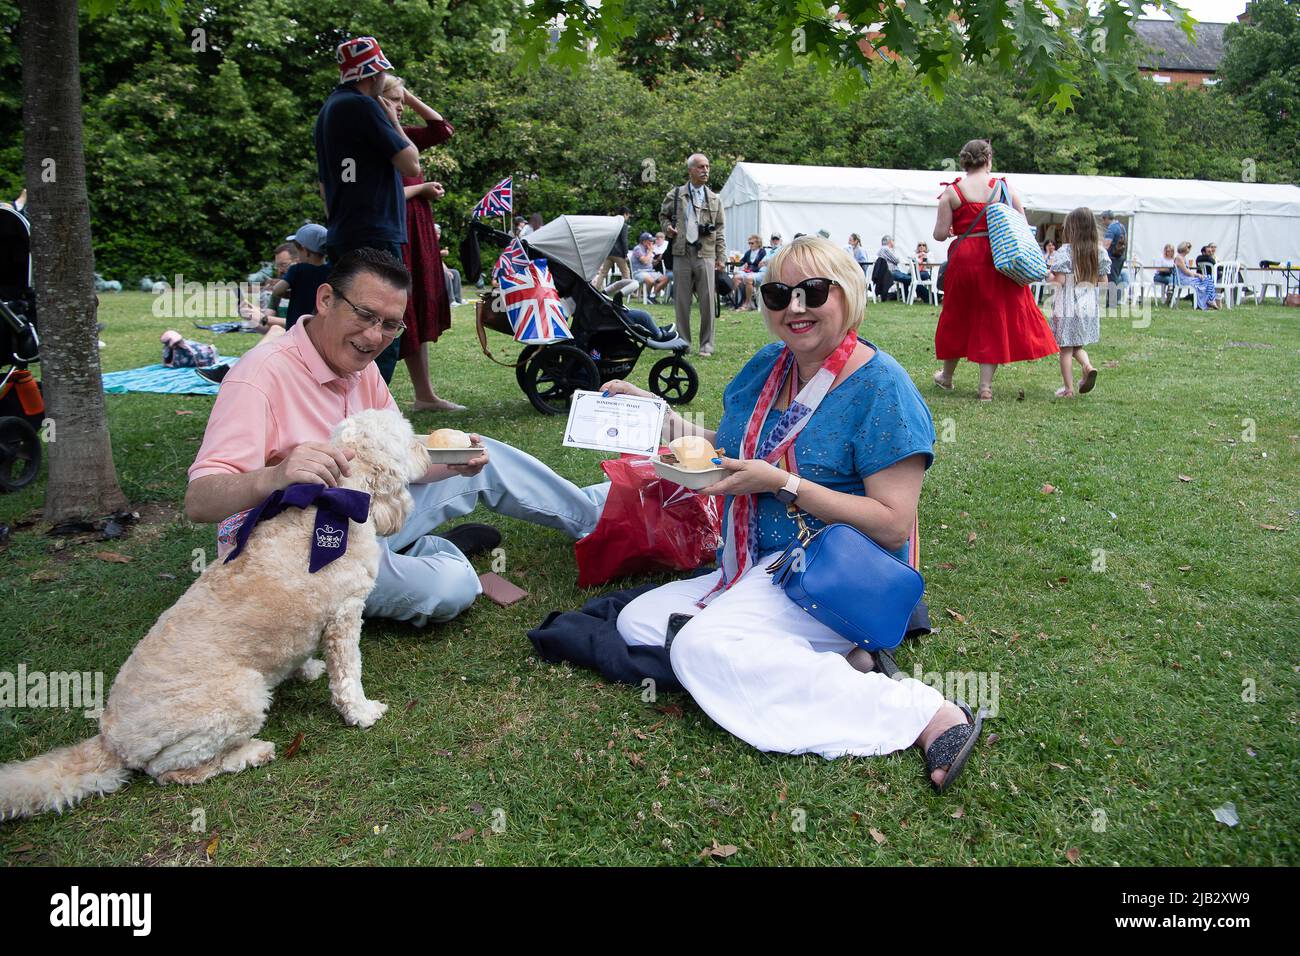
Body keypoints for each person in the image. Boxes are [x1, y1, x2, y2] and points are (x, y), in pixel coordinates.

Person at [602, 236, 982, 791]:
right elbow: (728, 448)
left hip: (835, 573)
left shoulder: (882, 388)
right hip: (755, 561)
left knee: (698, 645)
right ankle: (835, 660)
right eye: (780, 293)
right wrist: (657, 415)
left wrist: (784, 484)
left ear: (847, 295)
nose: (795, 308)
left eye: (813, 292)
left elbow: (893, 522)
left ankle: (924, 713)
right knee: (637, 622)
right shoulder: (769, 366)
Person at [185, 249, 610, 628]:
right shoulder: (258, 377)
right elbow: (200, 500)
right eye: (365, 316)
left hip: (369, 511)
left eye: (390, 325)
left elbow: (400, 461)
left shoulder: (360, 365)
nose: (374, 338)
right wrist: (275, 476)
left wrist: (454, 464)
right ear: (326, 299)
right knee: (452, 587)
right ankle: (423, 549)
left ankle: (596, 521)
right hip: (303, 548)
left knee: (483, 455)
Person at [314, 36, 420, 386]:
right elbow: (411, 163)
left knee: (345, 323)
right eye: (381, 71)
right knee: (383, 326)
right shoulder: (363, 105)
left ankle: (335, 399)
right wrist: (393, 119)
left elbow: (325, 186)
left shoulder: (329, 109)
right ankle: (370, 405)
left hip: (345, 231)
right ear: (371, 73)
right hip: (374, 232)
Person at [931, 139, 1058, 400]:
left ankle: (947, 377)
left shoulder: (952, 192)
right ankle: (985, 387)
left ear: (964, 161)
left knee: (957, 314)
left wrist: (959, 228)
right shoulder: (1003, 188)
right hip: (997, 259)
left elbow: (939, 234)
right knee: (992, 316)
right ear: (988, 160)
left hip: (964, 260)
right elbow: (1021, 224)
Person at [379, 74, 464, 413]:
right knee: (402, 310)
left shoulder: (402, 136)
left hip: (418, 229)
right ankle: (381, 395)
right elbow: (378, 195)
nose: (401, 107)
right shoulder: (378, 140)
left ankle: (424, 395)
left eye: (403, 101)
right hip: (398, 229)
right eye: (394, 100)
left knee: (419, 308)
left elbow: (442, 128)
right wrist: (421, 189)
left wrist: (404, 94)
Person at [659, 153, 725, 356]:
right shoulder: (676, 194)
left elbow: (720, 228)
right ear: (690, 170)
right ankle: (683, 343)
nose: (705, 170)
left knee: (707, 301)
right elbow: (663, 215)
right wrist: (668, 228)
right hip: (681, 252)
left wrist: (721, 257)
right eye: (701, 167)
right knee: (681, 301)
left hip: (706, 252)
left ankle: (707, 345)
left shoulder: (714, 198)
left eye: (707, 167)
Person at [1047, 207, 1109, 398]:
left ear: (1071, 229)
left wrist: (1048, 276)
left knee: (1065, 348)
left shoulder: (1066, 252)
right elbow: (1104, 282)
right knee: (1077, 346)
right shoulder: (1098, 252)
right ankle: (1087, 366)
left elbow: (1060, 281)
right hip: (1088, 303)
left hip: (1067, 304)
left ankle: (1068, 389)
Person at [269, 224, 331, 331]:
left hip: (297, 327)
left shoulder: (297, 270)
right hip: (321, 328)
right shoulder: (332, 270)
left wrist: (287, 293)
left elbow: (277, 290)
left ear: (305, 251)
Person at [1174, 241, 1220, 309]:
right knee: (1206, 279)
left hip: (1187, 278)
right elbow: (1186, 272)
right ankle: (1207, 302)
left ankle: (1209, 300)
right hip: (1183, 280)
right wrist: (1197, 275)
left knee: (1208, 278)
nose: (1189, 249)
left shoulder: (1183, 258)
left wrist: (1197, 275)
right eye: (1188, 247)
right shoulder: (1179, 258)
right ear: (1183, 248)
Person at [594, 208, 632, 288]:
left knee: (603, 273)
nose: (628, 217)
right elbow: (624, 240)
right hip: (619, 254)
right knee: (626, 273)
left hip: (609, 252)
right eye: (628, 215)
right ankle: (628, 290)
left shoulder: (612, 224)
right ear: (625, 214)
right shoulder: (623, 225)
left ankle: (596, 288)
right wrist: (625, 254)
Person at [629, 231, 669, 302]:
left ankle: (652, 296)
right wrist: (650, 251)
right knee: (651, 280)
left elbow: (650, 263)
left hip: (650, 272)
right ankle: (647, 296)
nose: (652, 242)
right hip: (639, 272)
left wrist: (657, 260)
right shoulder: (637, 249)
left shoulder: (647, 249)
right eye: (650, 241)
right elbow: (645, 261)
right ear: (644, 242)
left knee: (665, 278)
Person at [732, 234, 767, 310]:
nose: (750, 245)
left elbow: (760, 266)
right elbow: (741, 262)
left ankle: (747, 303)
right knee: (736, 276)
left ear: (758, 243)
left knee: (748, 278)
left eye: (752, 243)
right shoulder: (748, 252)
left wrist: (750, 269)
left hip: (756, 273)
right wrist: (735, 262)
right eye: (749, 243)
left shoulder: (762, 252)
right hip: (748, 272)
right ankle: (738, 301)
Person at [1100, 211, 1127, 307]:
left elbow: (1106, 245)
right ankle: (1114, 301)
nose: (1103, 222)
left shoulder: (1112, 227)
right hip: (1120, 256)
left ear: (1107, 218)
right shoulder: (1121, 226)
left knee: (1111, 279)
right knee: (1115, 279)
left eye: (1103, 219)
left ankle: (1111, 303)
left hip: (1113, 257)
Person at [435, 224, 466, 306]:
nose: (437, 236)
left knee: (455, 272)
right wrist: (440, 253)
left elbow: (440, 261)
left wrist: (447, 270)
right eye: (436, 233)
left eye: (439, 234)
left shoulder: (436, 244)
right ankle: (450, 301)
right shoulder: (427, 244)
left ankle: (458, 299)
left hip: (438, 269)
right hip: (430, 271)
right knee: (445, 274)